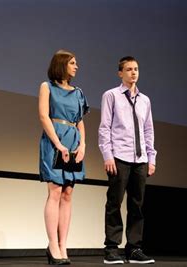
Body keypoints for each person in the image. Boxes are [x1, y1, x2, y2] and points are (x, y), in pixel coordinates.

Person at [98, 56, 157, 264]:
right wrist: (108, 155)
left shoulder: (145, 100)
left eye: (136, 69)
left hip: (140, 158)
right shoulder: (111, 96)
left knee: (137, 205)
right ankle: (112, 248)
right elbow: (105, 128)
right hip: (119, 157)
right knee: (114, 202)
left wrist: (151, 158)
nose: (134, 73)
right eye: (129, 69)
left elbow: (148, 130)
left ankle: (134, 248)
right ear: (120, 73)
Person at [38, 50, 89, 265]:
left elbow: (80, 121)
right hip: (54, 140)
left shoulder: (78, 92)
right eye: (73, 63)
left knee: (68, 193)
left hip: (73, 141)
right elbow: (43, 115)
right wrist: (58, 144)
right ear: (62, 64)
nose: (76, 67)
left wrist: (83, 144)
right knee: (56, 191)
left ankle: (63, 244)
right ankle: (52, 245)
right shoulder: (46, 86)